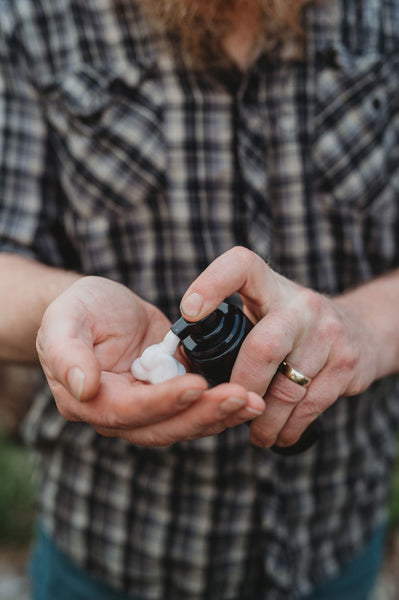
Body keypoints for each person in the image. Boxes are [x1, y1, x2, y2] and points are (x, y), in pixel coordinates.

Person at [0, 0, 398, 598]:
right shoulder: (31, 18)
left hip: (337, 538)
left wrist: (363, 326)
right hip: (109, 554)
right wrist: (62, 304)